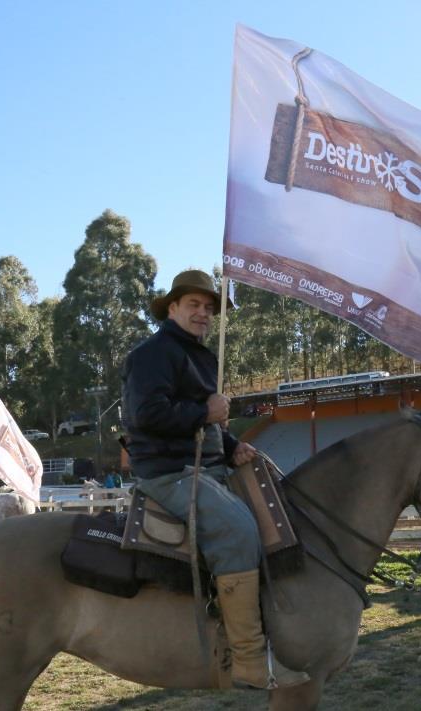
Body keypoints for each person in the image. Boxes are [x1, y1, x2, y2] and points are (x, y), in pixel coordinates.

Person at [121, 269, 309, 690]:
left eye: (209, 308)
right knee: (240, 531)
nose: (203, 313)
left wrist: (230, 446)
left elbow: (204, 424)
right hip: (169, 472)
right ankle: (248, 660)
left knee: (277, 506)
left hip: (207, 465)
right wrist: (206, 413)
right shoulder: (152, 354)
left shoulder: (200, 355)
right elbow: (147, 415)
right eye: (194, 305)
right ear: (172, 308)